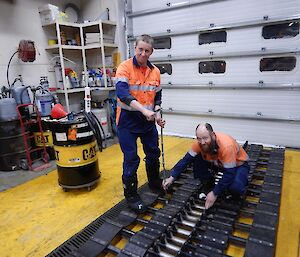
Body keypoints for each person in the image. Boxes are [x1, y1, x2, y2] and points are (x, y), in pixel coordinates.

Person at [116, 34, 165, 213]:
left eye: (147, 50)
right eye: (140, 49)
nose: (143, 54)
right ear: (134, 48)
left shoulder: (156, 72)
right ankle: (131, 194)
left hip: (148, 122)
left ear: (151, 51)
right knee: (131, 158)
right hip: (127, 122)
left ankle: (154, 182)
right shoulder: (124, 68)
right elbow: (122, 94)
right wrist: (144, 110)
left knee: (153, 153)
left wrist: (157, 113)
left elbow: (157, 96)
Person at [163, 123, 249, 209]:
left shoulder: (227, 146)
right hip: (219, 163)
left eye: (205, 138)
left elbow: (229, 173)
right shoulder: (199, 143)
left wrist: (215, 193)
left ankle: (232, 192)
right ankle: (208, 183)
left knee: (236, 187)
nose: (202, 142)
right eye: (199, 138)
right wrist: (172, 177)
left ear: (212, 135)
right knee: (196, 158)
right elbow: (186, 160)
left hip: (237, 166)